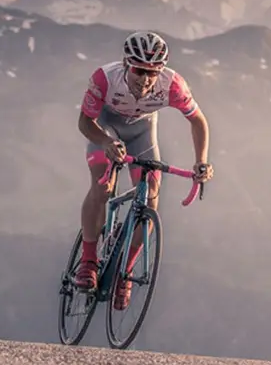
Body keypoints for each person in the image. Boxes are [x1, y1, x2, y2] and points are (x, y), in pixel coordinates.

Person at [75, 30, 213, 309]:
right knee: (102, 187)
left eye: (153, 72)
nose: (146, 79)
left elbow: (198, 121)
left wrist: (201, 161)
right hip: (106, 128)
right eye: (139, 70)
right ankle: (88, 261)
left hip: (142, 133)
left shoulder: (172, 85)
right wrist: (106, 142)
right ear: (126, 64)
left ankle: (124, 273)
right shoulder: (105, 79)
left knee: (150, 199)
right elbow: (85, 122)